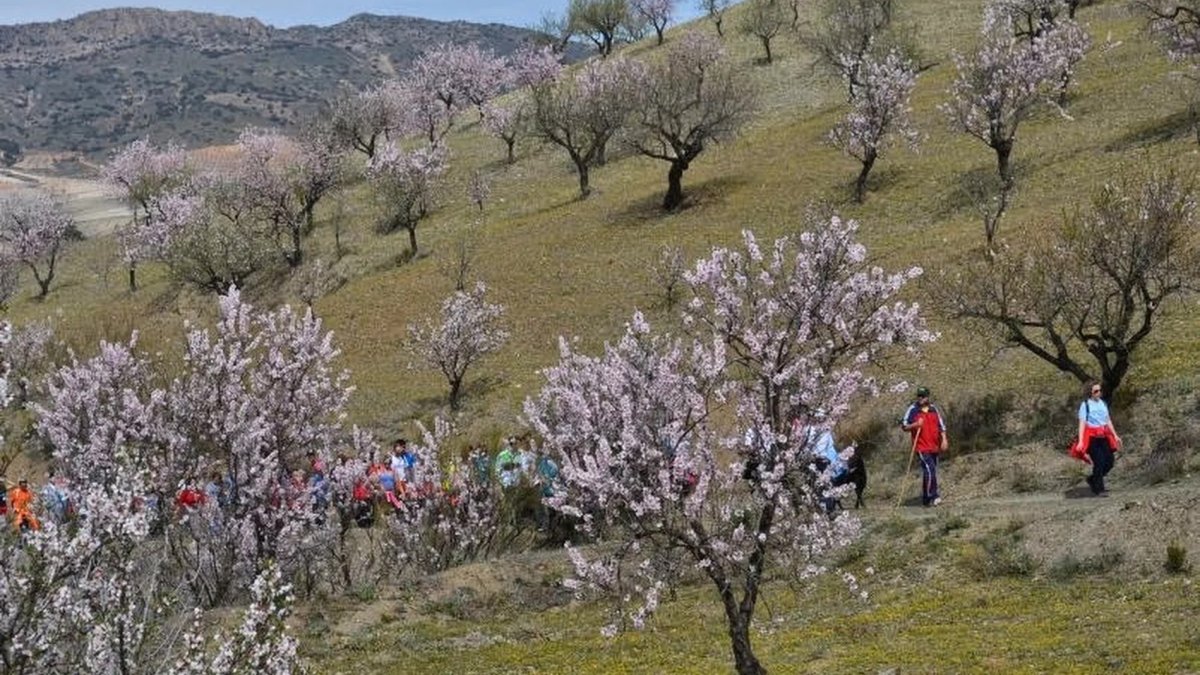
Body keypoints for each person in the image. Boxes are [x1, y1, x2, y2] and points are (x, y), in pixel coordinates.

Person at [1071, 381, 1121, 496]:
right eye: (1096, 391)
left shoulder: (1103, 403)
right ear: (1090, 393)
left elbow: (1107, 420)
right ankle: (1099, 489)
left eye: (1100, 390)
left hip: (1104, 436)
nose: (1099, 393)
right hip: (1092, 438)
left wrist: (1115, 435)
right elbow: (1082, 423)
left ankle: (1093, 479)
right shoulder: (1085, 405)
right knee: (1099, 462)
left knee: (1109, 462)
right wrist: (1081, 441)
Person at [901, 386, 948, 507]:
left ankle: (926, 499)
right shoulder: (913, 409)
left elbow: (941, 426)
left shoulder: (933, 409)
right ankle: (933, 496)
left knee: (931, 471)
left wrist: (944, 440)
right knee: (929, 470)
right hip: (921, 446)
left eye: (923, 396)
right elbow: (904, 426)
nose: (920, 398)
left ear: (928, 397)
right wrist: (916, 424)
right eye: (919, 396)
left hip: (934, 445)